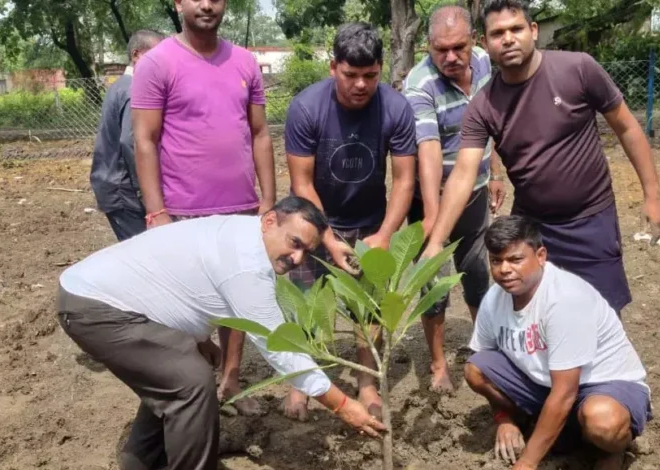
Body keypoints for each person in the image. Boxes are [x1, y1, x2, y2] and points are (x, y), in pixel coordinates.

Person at [57, 196, 386, 470]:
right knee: (190, 382)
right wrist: (342, 405)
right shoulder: (248, 263)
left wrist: (197, 339)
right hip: (95, 308)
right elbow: (281, 350)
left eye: (306, 252)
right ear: (270, 221)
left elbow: (184, 280)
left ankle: (140, 461)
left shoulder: (245, 234)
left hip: (106, 300)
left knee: (174, 374)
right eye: (294, 243)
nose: (298, 258)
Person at [423, 0, 660, 315]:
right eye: (497, 33)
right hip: (532, 228)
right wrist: (436, 241)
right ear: (484, 43)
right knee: (534, 318)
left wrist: (653, 196)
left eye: (516, 28)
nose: (508, 39)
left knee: (601, 317)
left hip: (591, 220)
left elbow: (628, 128)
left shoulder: (578, 69)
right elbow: (464, 173)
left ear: (533, 31)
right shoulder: (484, 106)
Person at [131, 0, 277, 414]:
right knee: (184, 309)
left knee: (239, 300)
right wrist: (157, 214)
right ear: (179, 3)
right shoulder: (156, 64)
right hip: (182, 213)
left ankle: (231, 381)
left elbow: (261, 132)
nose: (207, 4)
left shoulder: (245, 62)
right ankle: (190, 391)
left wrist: (267, 199)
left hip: (241, 209)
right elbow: (145, 140)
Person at [282, 22, 417, 421]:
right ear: (332, 68)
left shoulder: (395, 107)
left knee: (368, 308)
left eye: (370, 75)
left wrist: (385, 236)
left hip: (371, 222)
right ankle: (301, 379)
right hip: (312, 219)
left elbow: (405, 180)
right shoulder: (306, 108)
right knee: (307, 301)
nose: (361, 84)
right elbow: (301, 183)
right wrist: (327, 235)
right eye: (350, 75)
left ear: (380, 69)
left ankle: (367, 383)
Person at [464, 215, 652, 470]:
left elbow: (565, 392)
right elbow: (485, 362)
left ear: (540, 256)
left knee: (603, 422)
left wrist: (527, 464)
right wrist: (503, 418)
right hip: (545, 385)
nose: (504, 269)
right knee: (476, 368)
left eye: (516, 259)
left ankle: (610, 450)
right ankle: (547, 427)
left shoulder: (565, 299)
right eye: (496, 261)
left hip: (599, 385)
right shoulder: (495, 297)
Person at [402, 5, 499, 394]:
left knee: (478, 274)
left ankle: (486, 349)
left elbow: (496, 121)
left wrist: (497, 173)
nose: (450, 57)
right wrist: (430, 216)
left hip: (475, 193)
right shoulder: (419, 84)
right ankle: (439, 364)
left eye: (458, 47)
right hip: (435, 195)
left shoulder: (485, 63)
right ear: (429, 46)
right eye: (441, 49)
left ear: (473, 40)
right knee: (435, 285)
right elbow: (427, 151)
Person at [90, 30, 164, 241]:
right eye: (156, 56)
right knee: (146, 253)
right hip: (123, 189)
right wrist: (147, 193)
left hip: (114, 184)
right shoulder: (135, 89)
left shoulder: (120, 85)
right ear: (136, 55)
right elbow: (130, 141)